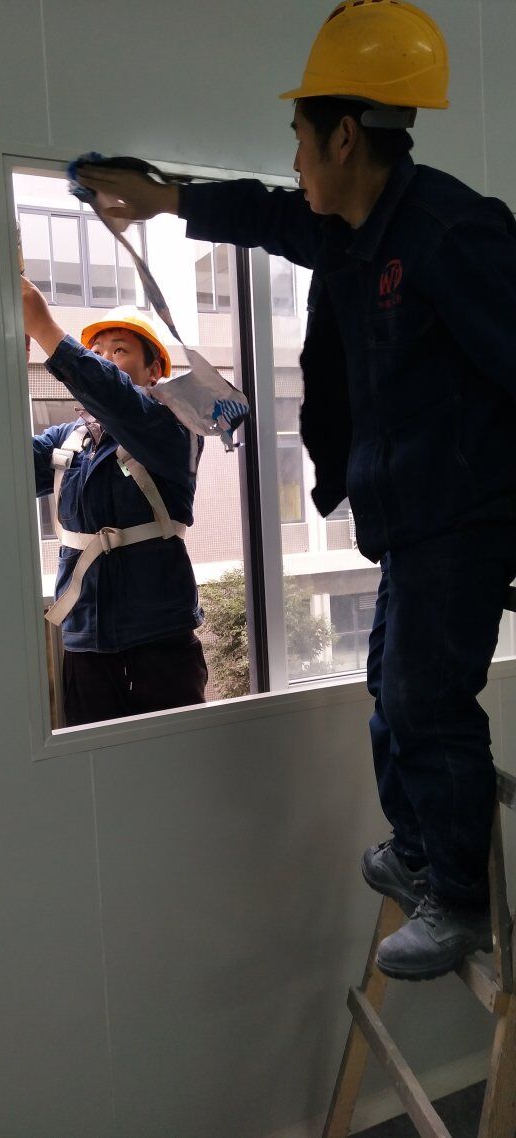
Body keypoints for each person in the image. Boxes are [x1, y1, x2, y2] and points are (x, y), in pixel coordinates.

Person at [73, 0, 516, 980]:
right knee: (389, 686)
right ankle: (419, 850)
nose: (295, 161)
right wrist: (162, 199)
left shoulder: (448, 233)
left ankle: (460, 896)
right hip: (409, 522)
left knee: (426, 697)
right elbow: (271, 214)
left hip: (464, 518)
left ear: (344, 135)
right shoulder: (360, 231)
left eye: (300, 140)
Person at [23, 278, 208, 726]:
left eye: (119, 350)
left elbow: (118, 399)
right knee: (95, 769)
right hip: (85, 645)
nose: (104, 359)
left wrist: (46, 329)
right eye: (97, 350)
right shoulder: (70, 441)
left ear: (153, 371)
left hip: (159, 642)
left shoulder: (173, 428)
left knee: (170, 760)